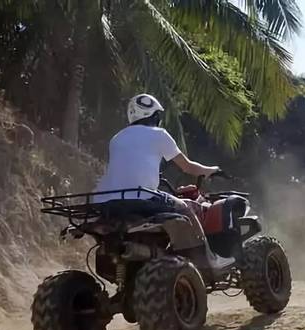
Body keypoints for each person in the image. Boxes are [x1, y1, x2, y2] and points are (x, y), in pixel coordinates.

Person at [92, 93, 234, 270]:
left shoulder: (116, 139)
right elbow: (187, 167)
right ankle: (208, 261)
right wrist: (211, 170)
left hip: (105, 201)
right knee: (186, 210)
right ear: (154, 116)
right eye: (158, 116)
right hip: (142, 198)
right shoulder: (159, 135)